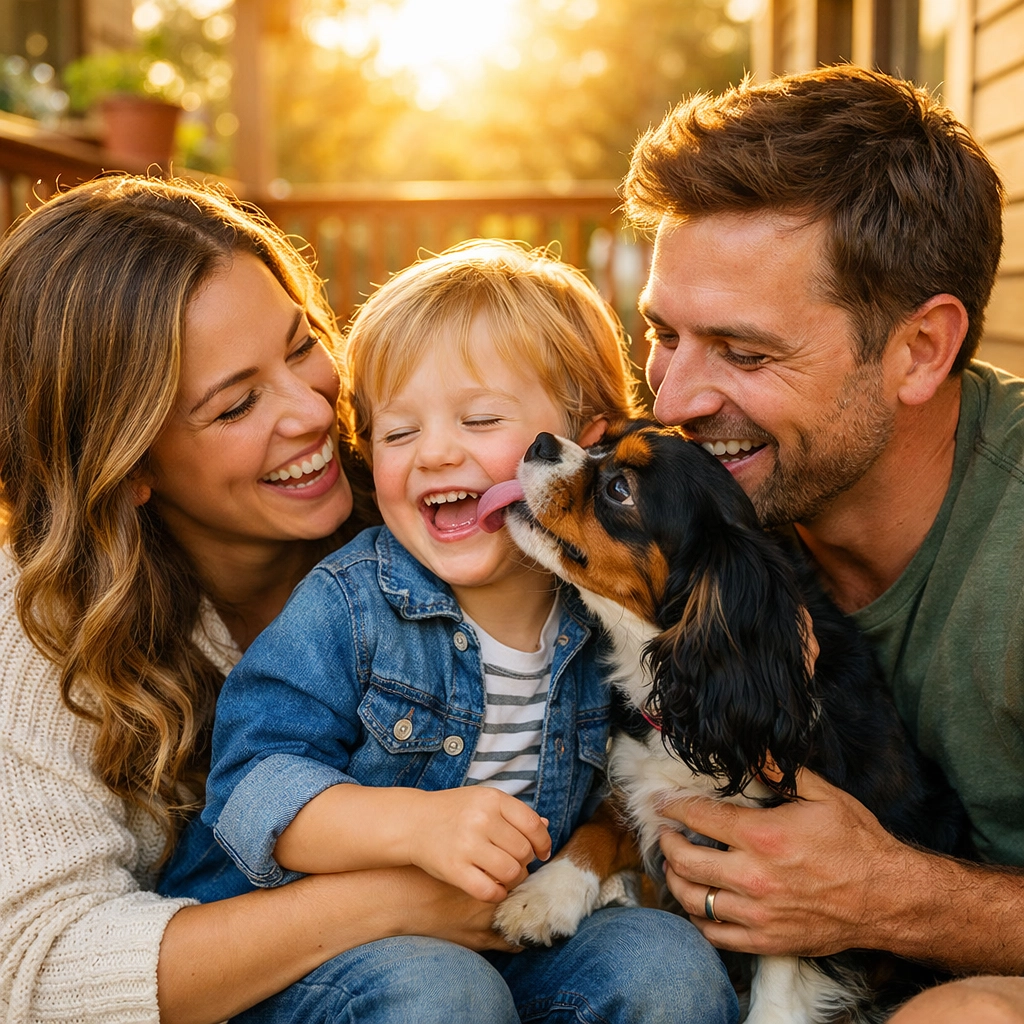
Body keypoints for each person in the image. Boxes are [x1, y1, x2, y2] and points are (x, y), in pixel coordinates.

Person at [0, 177, 553, 1024]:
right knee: (434, 989)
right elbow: (39, 969)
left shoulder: (424, 511)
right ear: (130, 464)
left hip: (498, 946)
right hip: (295, 993)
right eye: (237, 404)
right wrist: (393, 898)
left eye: (300, 349)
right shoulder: (37, 617)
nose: (311, 411)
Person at [161, 239, 739, 1024]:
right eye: (398, 434)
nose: (434, 451)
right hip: (323, 964)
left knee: (664, 965)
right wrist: (414, 825)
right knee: (442, 992)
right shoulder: (351, 604)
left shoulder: (603, 617)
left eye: (480, 419)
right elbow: (254, 786)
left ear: (582, 448)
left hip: (503, 937)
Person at [619, 65, 1024, 1020]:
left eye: (745, 353)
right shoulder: (691, 507)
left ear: (919, 350)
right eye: (661, 333)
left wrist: (891, 896)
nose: (673, 400)